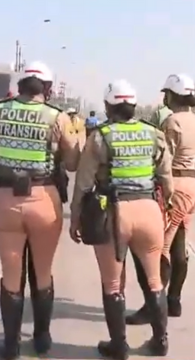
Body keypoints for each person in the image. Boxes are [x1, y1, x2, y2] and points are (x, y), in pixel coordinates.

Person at [69, 79, 174, 359]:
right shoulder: (153, 134)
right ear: (134, 106)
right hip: (149, 210)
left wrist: (75, 218)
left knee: (113, 285)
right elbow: (166, 177)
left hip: (114, 212)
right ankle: (160, 340)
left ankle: (119, 346)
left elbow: (83, 184)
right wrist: (169, 206)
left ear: (107, 106)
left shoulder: (101, 136)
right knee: (154, 280)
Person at [0, 61, 81, 359]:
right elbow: (73, 162)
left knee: (10, 273)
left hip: (5, 199)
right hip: (44, 199)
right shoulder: (56, 117)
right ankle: (42, 337)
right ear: (47, 89)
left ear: (20, 86)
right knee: (42, 271)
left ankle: (10, 345)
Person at [126, 74, 195, 325]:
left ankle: (153, 306)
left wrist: (158, 189)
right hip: (192, 184)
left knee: (159, 249)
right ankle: (174, 301)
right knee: (178, 243)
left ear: (172, 95)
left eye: (167, 94)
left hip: (176, 184)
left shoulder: (172, 122)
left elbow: (164, 161)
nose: (164, 97)